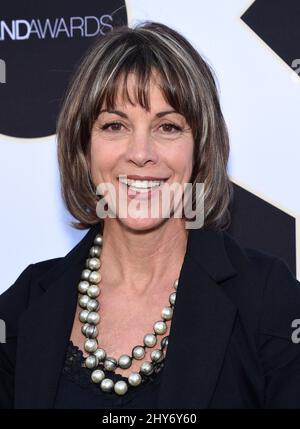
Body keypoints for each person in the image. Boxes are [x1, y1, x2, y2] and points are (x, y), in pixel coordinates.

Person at [1, 21, 300, 410]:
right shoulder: (24, 307)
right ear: (83, 147)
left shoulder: (270, 300)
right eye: (114, 125)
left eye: (168, 126)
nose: (141, 153)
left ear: (200, 149)